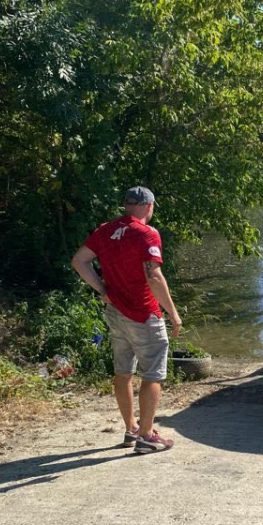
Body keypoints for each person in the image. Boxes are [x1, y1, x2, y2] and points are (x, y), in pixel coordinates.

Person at [71, 186, 182, 454]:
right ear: (149, 206)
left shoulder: (106, 230)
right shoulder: (147, 234)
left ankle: (131, 427)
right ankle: (146, 436)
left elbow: (79, 261)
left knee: (123, 372)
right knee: (153, 375)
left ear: (127, 205)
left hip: (116, 313)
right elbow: (154, 276)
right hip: (144, 314)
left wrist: (102, 290)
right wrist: (173, 313)